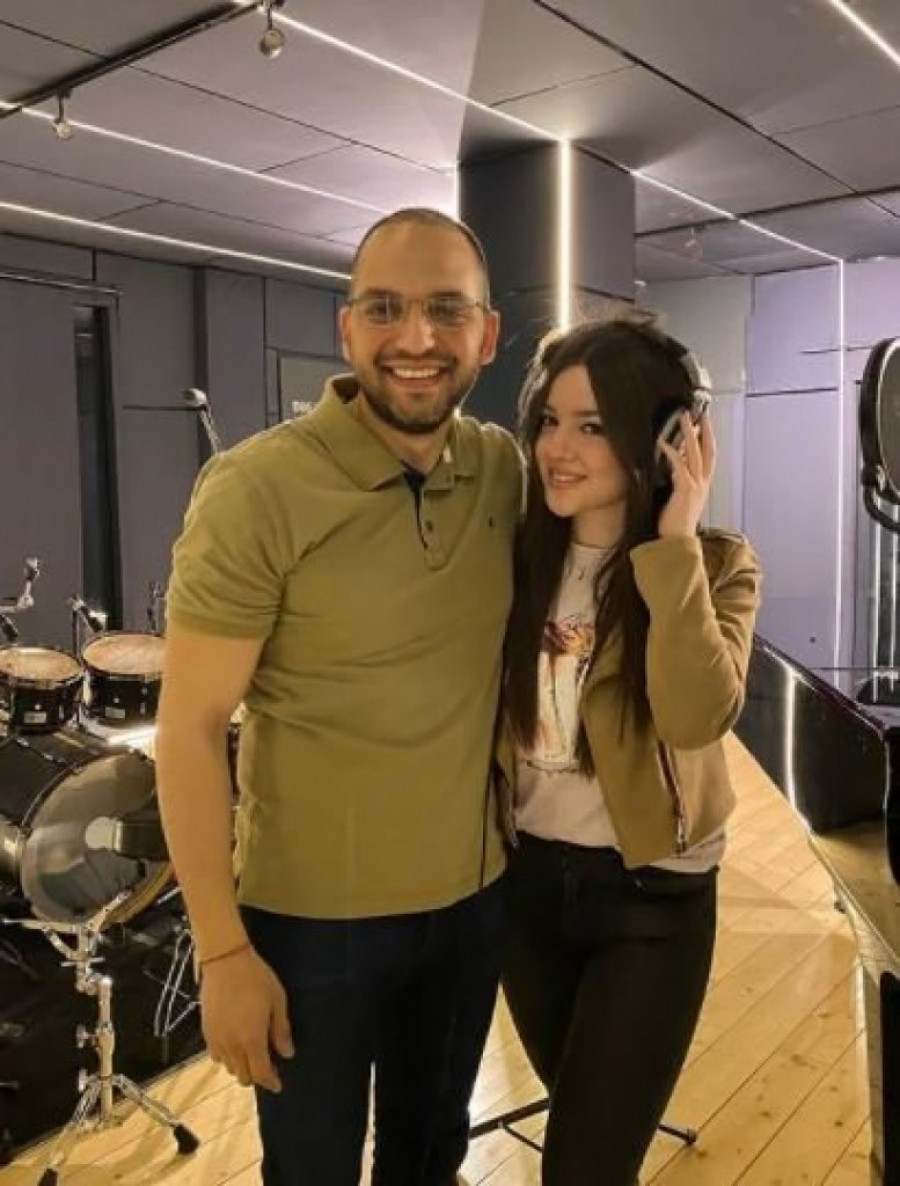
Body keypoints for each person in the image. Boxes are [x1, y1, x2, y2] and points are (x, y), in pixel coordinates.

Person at [155, 207, 523, 1186]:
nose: (416, 338)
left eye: (447, 310)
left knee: (431, 1157)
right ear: (347, 328)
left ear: (488, 334)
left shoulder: (501, 469)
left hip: (472, 906)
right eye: (386, 309)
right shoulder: (256, 490)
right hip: (311, 927)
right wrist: (222, 953)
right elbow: (189, 731)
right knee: (311, 1171)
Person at [494, 316, 762, 1186]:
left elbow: (695, 716)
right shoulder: (515, 558)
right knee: (586, 1139)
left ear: (667, 438)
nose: (558, 449)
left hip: (652, 898)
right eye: (550, 421)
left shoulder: (714, 566)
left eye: (593, 425)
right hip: (529, 888)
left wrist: (673, 542)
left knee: (581, 1168)